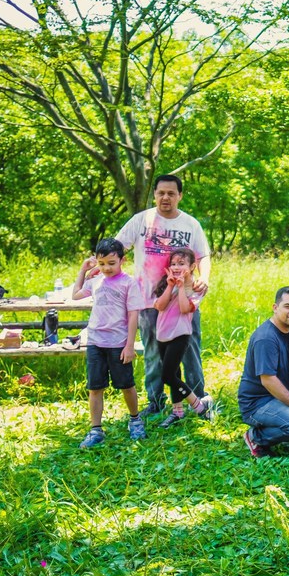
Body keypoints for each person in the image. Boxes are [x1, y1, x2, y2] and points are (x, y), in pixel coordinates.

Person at [115, 174, 211, 418]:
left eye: (171, 193)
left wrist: (204, 277)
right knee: (153, 353)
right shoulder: (141, 220)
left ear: (180, 195)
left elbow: (203, 256)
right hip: (150, 301)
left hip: (184, 301)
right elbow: (117, 247)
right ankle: (156, 402)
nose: (165, 197)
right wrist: (99, 268)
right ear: (155, 194)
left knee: (190, 351)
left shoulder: (191, 224)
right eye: (161, 193)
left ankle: (198, 398)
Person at [72, 238, 145, 448]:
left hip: (118, 343)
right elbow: (76, 295)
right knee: (95, 387)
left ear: (123, 260)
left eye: (111, 263)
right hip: (96, 341)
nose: (106, 268)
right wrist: (83, 271)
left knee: (126, 385)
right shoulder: (95, 280)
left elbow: (133, 316)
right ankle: (96, 430)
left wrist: (129, 345)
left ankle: (135, 419)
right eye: (102, 264)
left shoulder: (129, 283)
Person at [238, 287, 289, 458]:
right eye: (288, 306)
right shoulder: (266, 338)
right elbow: (268, 380)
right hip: (257, 403)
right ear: (275, 307)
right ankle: (255, 437)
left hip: (280, 394)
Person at [151, 248, 213, 428]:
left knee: (167, 376)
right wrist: (170, 285)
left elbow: (185, 309)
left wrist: (181, 287)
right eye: (173, 264)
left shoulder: (196, 287)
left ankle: (199, 406)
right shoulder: (165, 283)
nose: (176, 267)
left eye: (181, 264)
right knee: (174, 372)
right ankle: (177, 411)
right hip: (162, 333)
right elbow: (160, 306)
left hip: (181, 334)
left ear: (192, 266)